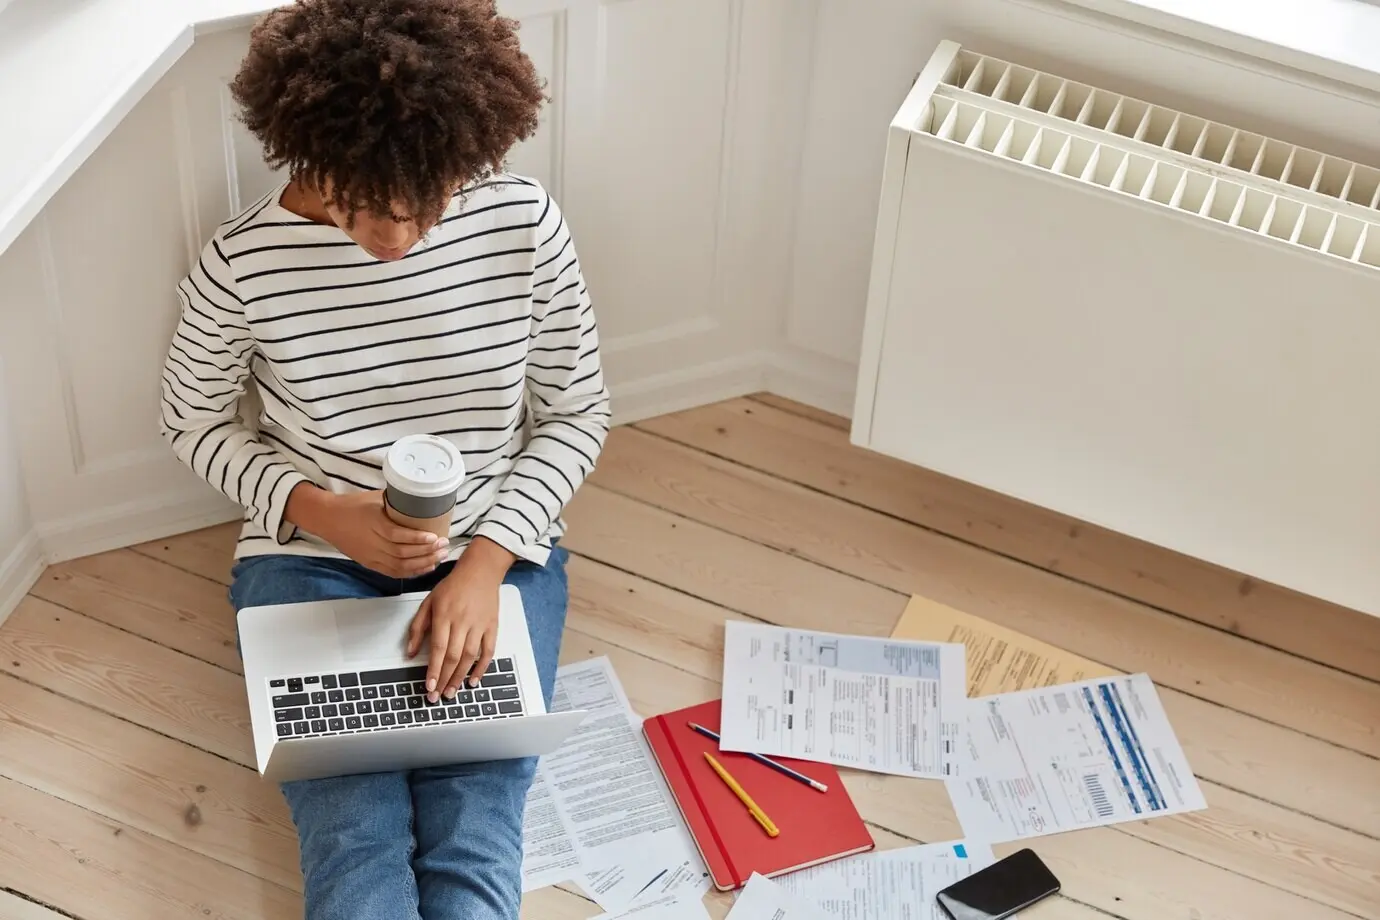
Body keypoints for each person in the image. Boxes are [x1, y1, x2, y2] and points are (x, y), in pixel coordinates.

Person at [157, 1, 609, 917]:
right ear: (307, 149)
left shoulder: (522, 224)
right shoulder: (241, 263)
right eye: (364, 206)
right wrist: (327, 513)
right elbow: (192, 422)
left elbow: (576, 413)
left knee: (476, 823)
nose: (398, 237)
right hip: (307, 562)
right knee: (352, 832)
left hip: (498, 554)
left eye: (426, 204)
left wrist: (485, 567)